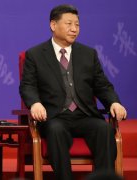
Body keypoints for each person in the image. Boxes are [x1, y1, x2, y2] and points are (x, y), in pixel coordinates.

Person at [19, 4, 127, 180]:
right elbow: (27, 86)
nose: (74, 29)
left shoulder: (88, 54)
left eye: (77, 24)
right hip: (54, 117)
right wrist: (35, 103)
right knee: (56, 130)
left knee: (105, 130)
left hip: (84, 115)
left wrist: (114, 102)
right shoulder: (36, 54)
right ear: (53, 25)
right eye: (69, 24)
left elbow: (102, 85)